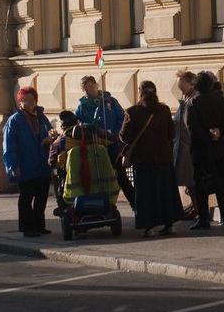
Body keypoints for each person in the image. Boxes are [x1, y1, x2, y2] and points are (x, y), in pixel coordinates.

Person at [120, 81, 180, 237]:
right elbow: (171, 134)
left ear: (140, 92)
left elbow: (124, 137)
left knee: (146, 194)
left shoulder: (132, 112)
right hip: (164, 158)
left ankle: (149, 227)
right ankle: (170, 224)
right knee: (165, 192)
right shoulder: (165, 109)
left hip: (143, 160)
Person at [186, 70, 224, 230]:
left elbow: (192, 128)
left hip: (202, 152)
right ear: (210, 85)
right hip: (222, 150)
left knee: (201, 187)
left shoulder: (193, 103)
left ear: (196, 86)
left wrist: (208, 133)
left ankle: (204, 219)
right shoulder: (221, 101)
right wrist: (220, 131)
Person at [2, 87, 55, 237]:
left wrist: (50, 138)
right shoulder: (14, 121)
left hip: (42, 164)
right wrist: (13, 165)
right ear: (20, 102)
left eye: (31, 100)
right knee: (26, 197)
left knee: (42, 197)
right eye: (25, 100)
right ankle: (27, 228)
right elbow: (9, 145)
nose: (29, 103)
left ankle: (39, 225)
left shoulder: (41, 117)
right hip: (25, 165)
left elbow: (49, 132)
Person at [75, 76, 135, 206]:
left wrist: (116, 133)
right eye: (85, 88)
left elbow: (122, 118)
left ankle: (135, 205)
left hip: (112, 144)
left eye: (91, 86)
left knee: (120, 175)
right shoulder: (82, 106)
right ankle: (101, 205)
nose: (89, 90)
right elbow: (78, 124)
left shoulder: (110, 101)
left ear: (96, 86)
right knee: (98, 176)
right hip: (94, 146)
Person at [172, 71, 196, 220]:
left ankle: (198, 209)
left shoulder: (194, 99)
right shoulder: (185, 98)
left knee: (192, 181)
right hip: (181, 146)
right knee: (187, 181)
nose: (180, 88)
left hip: (189, 147)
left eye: (182, 85)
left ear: (190, 83)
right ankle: (195, 207)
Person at [49, 110, 79, 219]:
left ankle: (62, 205)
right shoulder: (87, 134)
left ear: (62, 126)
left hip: (69, 175)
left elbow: (52, 160)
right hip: (89, 171)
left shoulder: (62, 140)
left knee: (56, 173)